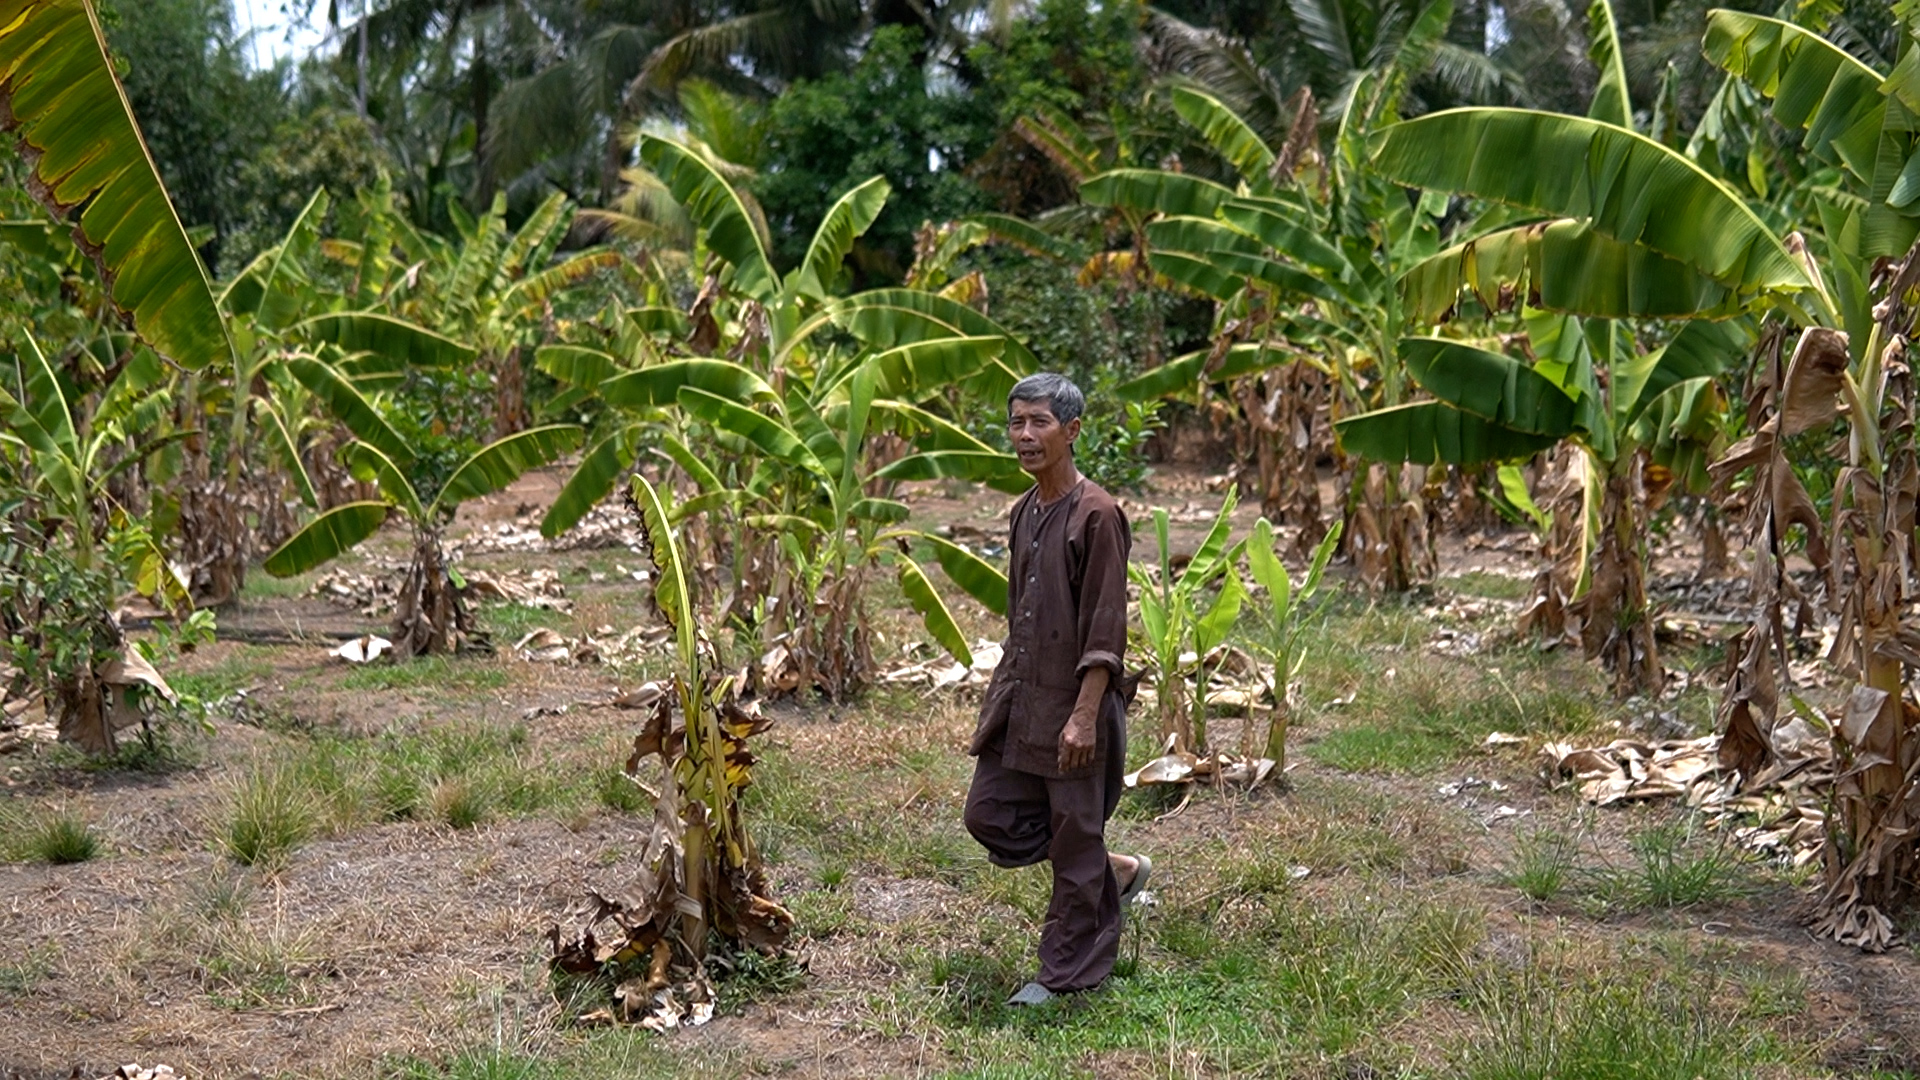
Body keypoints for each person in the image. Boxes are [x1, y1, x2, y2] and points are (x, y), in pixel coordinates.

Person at [963, 372, 1149, 1007]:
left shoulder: (1096, 515)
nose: (1024, 435)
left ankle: (1066, 975)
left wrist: (1085, 715)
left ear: (1071, 431)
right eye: (1016, 422)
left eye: (1038, 422)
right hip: (1024, 703)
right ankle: (1108, 869)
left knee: (1072, 841)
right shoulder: (1023, 511)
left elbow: (1105, 626)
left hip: (1076, 708)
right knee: (989, 813)